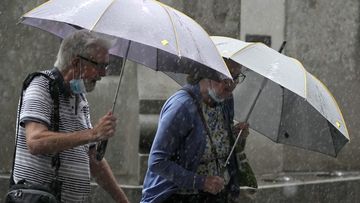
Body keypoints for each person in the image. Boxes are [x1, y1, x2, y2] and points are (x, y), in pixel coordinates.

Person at [12, 30, 129, 203]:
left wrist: (122, 200)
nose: (103, 74)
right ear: (76, 63)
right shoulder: (41, 85)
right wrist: (93, 133)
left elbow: (92, 158)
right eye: (100, 65)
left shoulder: (79, 96)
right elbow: (35, 141)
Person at [141, 58, 249, 203]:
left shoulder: (226, 101)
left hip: (216, 196)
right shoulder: (181, 106)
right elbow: (157, 162)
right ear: (206, 72)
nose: (231, 85)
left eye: (236, 78)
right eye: (225, 77)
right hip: (178, 197)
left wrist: (238, 138)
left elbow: (221, 146)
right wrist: (201, 182)